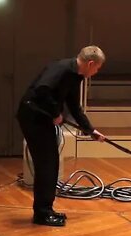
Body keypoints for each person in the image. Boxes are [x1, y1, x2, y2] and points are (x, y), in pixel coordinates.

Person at [17, 45, 106, 226]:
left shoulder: (76, 76)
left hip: (42, 119)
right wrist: (56, 113)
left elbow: (74, 106)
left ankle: (46, 210)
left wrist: (90, 130)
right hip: (33, 117)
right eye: (97, 68)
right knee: (46, 165)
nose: (96, 72)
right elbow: (42, 89)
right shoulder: (62, 68)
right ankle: (42, 214)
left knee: (51, 164)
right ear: (90, 63)